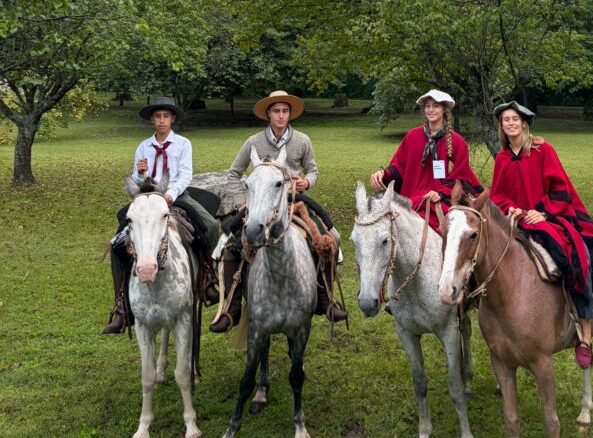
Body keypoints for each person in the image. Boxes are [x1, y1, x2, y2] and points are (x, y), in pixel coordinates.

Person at [488, 100, 593, 368]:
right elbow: (498, 196)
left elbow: (560, 189)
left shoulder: (543, 150)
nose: (509, 123)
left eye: (514, 119)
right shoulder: (502, 158)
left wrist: (542, 212)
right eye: (505, 120)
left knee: (569, 254)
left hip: (551, 217)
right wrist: (514, 210)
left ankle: (584, 328)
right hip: (518, 220)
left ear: (524, 123)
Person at [210, 89, 347, 333]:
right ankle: (231, 308)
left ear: (289, 114)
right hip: (260, 205)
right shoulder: (253, 142)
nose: (281, 116)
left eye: (285, 111)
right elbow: (234, 173)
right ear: (268, 114)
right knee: (232, 243)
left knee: (330, 238)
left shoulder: (303, 140)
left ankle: (325, 298)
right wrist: (242, 202)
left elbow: (313, 170)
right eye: (276, 111)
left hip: (296, 204)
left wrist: (308, 182)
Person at [102, 96, 222, 334]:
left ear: (173, 119)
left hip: (176, 194)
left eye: (166, 116)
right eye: (157, 117)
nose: (162, 121)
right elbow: (137, 182)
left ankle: (208, 277)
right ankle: (121, 306)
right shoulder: (143, 147)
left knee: (209, 224)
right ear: (151, 120)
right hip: (146, 198)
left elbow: (185, 174)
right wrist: (139, 173)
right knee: (117, 242)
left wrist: (171, 195)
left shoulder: (183, 144)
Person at [370, 89, 482, 227]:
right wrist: (383, 174)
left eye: (435, 106)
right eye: (427, 106)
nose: (431, 109)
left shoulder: (457, 142)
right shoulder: (412, 136)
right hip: (411, 200)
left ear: (444, 109)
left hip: (442, 202)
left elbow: (461, 176)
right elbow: (400, 165)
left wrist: (441, 193)